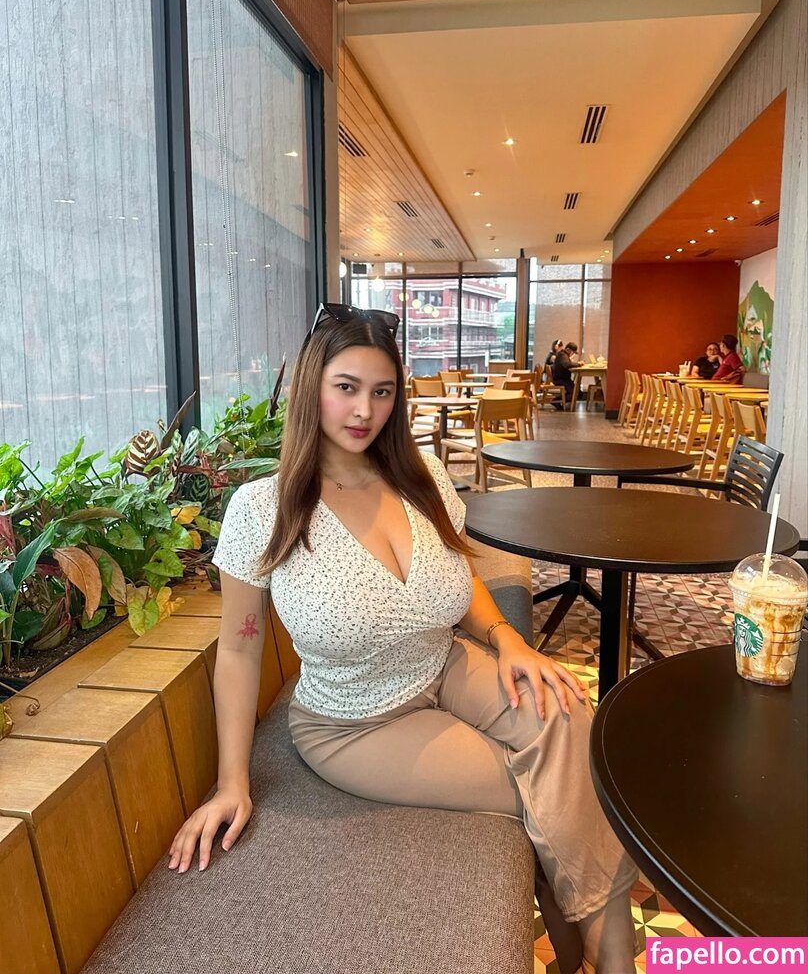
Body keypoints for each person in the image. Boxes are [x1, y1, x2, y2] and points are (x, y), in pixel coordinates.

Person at [168, 303, 637, 974]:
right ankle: (604, 957)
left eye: (382, 391)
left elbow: (457, 577)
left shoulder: (421, 478)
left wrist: (508, 639)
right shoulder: (261, 509)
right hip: (355, 720)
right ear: (311, 387)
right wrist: (231, 782)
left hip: (444, 662)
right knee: (543, 790)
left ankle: (597, 956)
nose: (365, 410)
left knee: (566, 715)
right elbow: (240, 650)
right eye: (346, 387)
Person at [552, 341, 583, 407]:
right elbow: (567, 364)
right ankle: (555, 401)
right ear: (568, 349)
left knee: (578, 393)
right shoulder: (563, 355)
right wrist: (579, 364)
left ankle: (558, 401)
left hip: (563, 379)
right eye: (573, 352)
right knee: (575, 393)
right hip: (561, 379)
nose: (573, 354)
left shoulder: (563, 355)